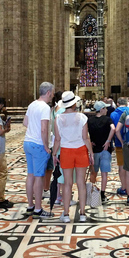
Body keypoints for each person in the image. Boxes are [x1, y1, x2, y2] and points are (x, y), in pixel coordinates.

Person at [53, 91, 94, 223]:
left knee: (67, 184)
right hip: (81, 150)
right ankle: (82, 213)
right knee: (81, 183)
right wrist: (91, 153)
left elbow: (57, 140)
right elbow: (85, 138)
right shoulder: (82, 117)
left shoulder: (58, 119)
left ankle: (65, 214)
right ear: (74, 103)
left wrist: (54, 154)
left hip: (66, 151)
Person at [23, 82, 55, 219]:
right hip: (38, 145)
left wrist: (33, 129)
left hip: (27, 142)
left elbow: (25, 122)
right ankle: (38, 209)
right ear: (48, 93)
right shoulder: (45, 107)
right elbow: (44, 129)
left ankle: (30, 206)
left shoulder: (32, 104)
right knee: (39, 177)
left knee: (30, 175)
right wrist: (46, 146)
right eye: (52, 93)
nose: (52, 96)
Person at [88, 100, 115, 203]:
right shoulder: (108, 120)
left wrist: (90, 142)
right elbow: (113, 129)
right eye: (105, 108)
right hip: (105, 150)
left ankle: (92, 193)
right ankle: (103, 195)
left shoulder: (90, 120)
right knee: (104, 174)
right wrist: (108, 141)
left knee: (93, 172)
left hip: (94, 150)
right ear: (102, 109)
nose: (107, 110)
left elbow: (85, 133)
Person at [110, 97, 129, 195]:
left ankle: (124, 187)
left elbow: (113, 129)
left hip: (119, 142)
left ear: (117, 103)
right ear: (127, 103)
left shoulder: (114, 114)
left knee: (122, 166)